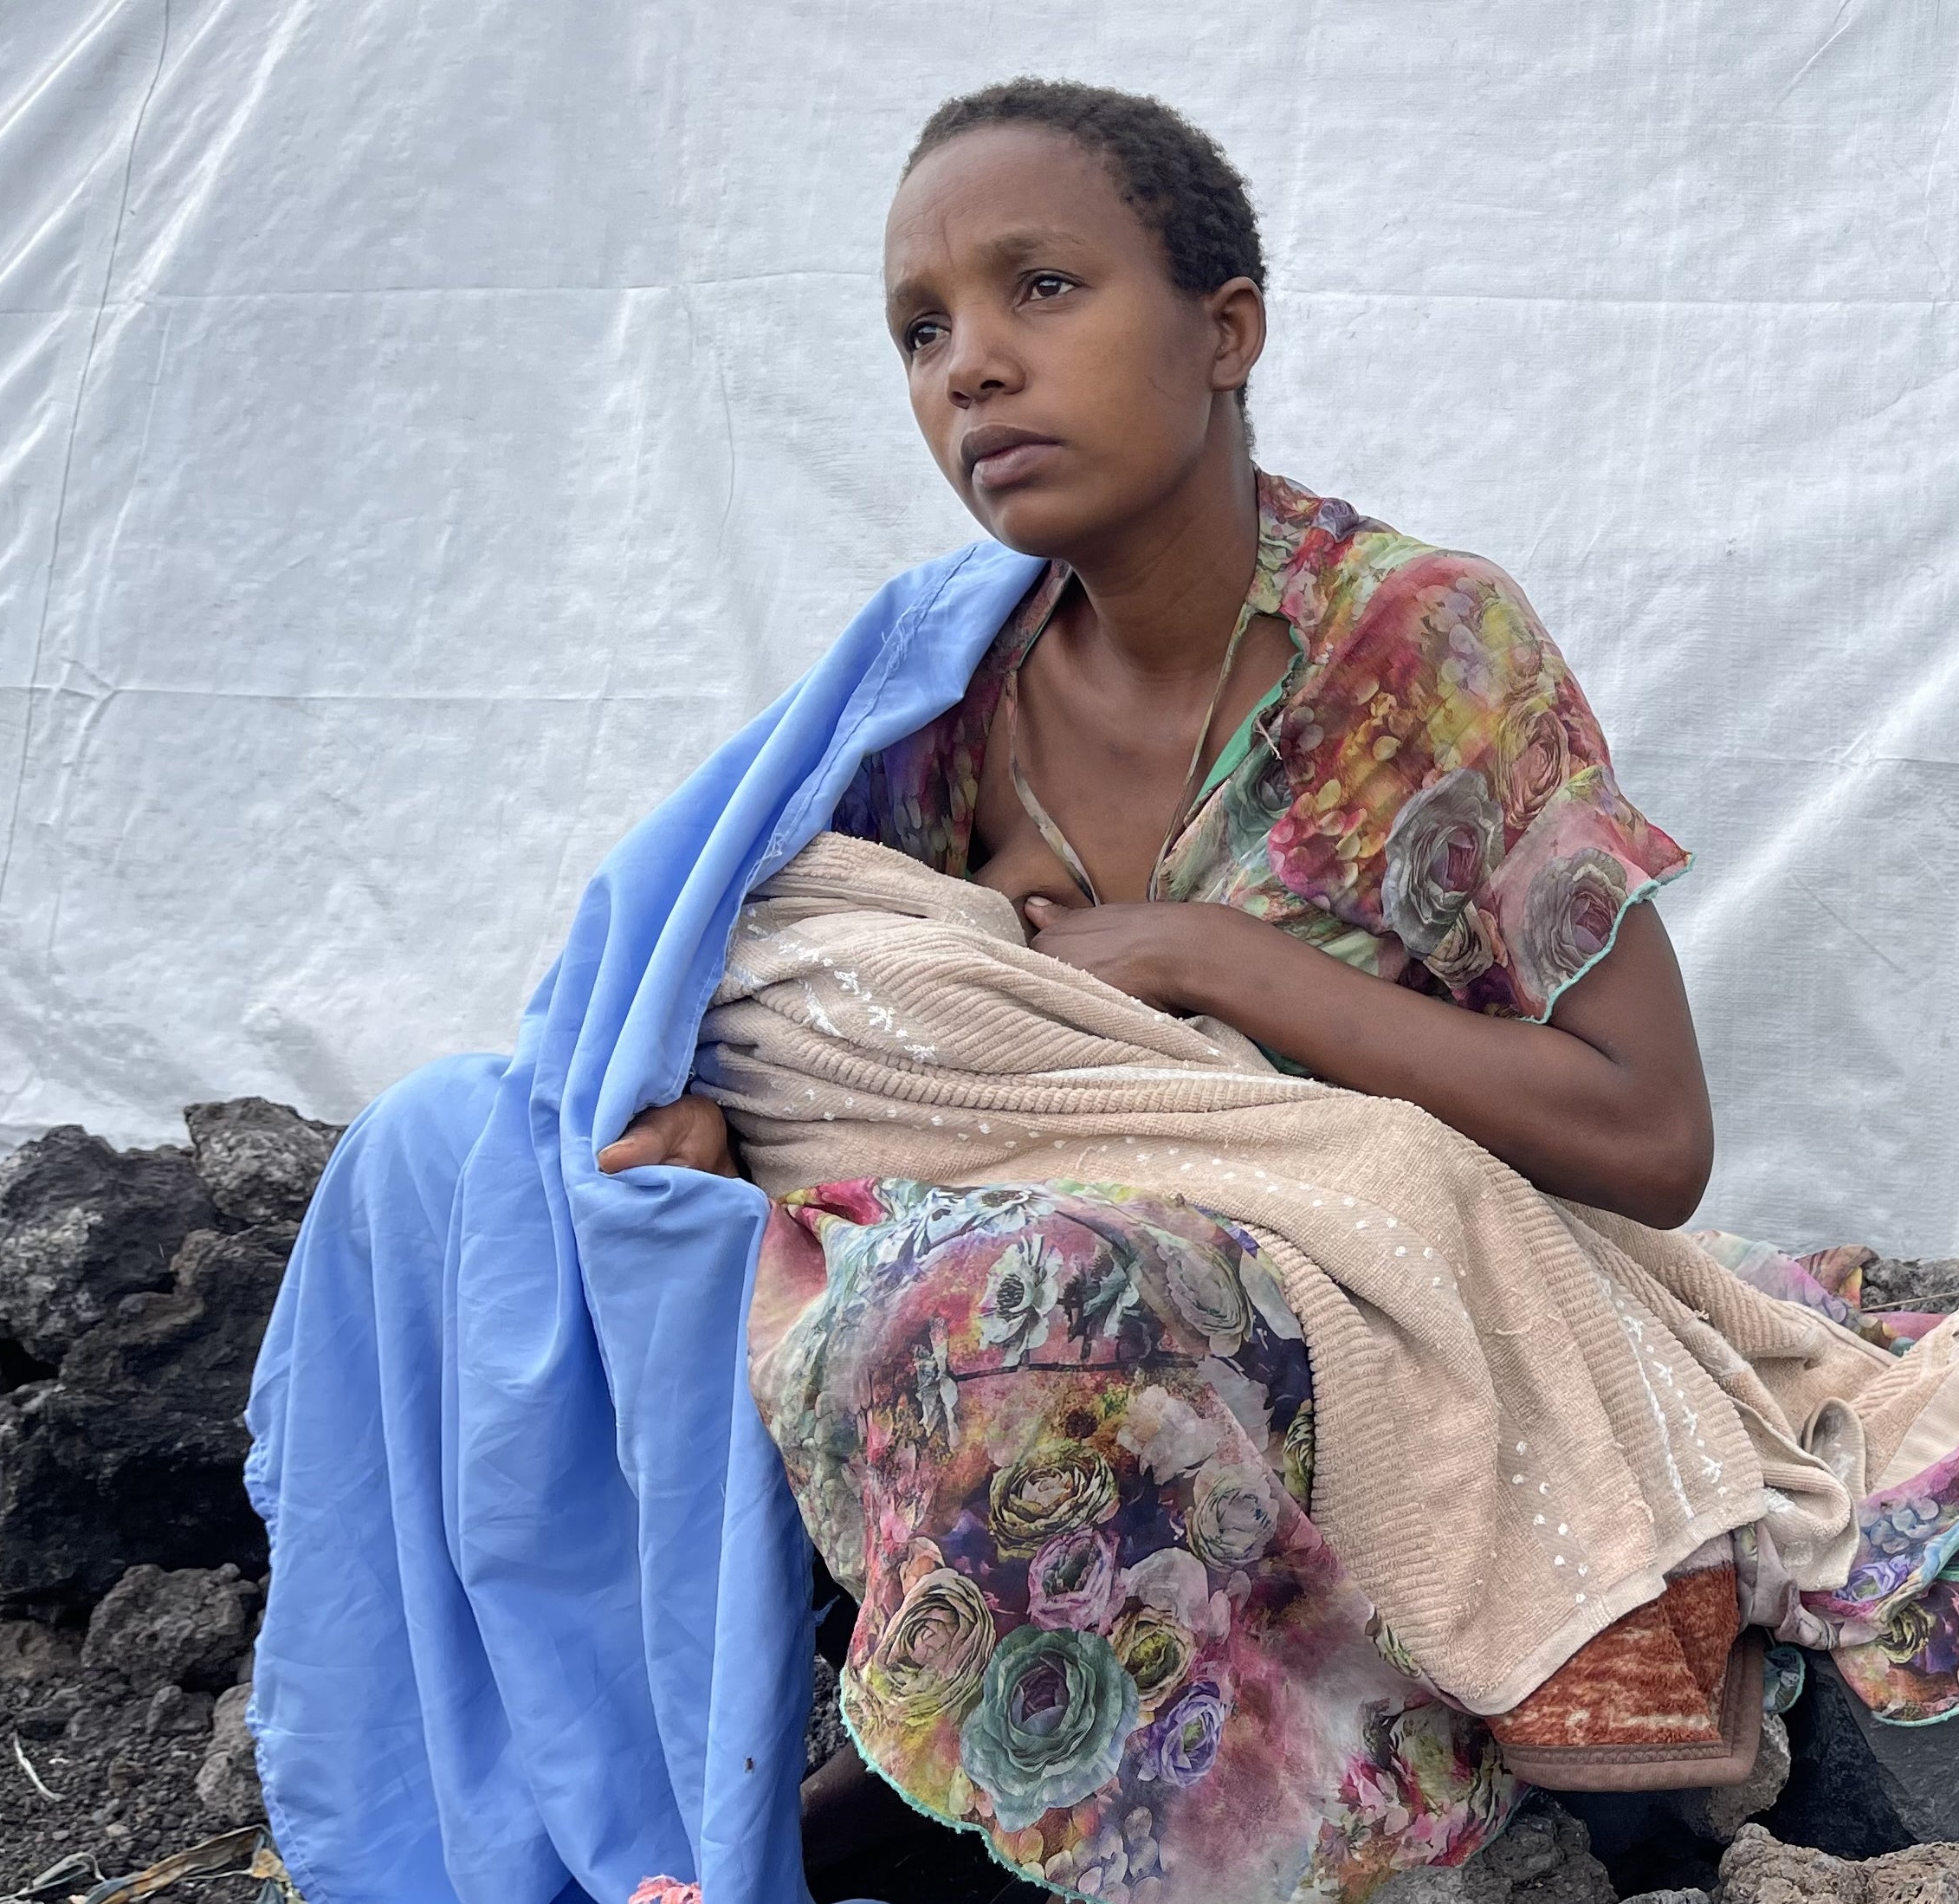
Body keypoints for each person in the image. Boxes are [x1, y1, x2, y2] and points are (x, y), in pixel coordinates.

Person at [591, 78, 1717, 1903]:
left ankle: (1362, 1832)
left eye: (1041, 289)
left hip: (1382, 1341)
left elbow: (1652, 1132)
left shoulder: (1411, 650)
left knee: (1017, 1299)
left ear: (1226, 329)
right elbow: (887, 1042)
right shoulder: (936, 696)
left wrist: (1213, 958)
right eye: (923, 329)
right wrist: (729, 1126)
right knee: (635, 1234)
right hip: (1051, 1383)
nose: (972, 367)